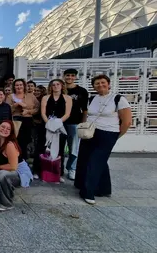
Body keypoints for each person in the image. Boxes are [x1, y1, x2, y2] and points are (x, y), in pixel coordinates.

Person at [75, 75, 132, 205]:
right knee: (87, 159)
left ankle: (88, 191)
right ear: (93, 86)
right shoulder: (92, 98)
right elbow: (87, 115)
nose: (100, 85)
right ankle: (103, 188)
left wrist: (116, 136)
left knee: (95, 161)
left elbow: (127, 121)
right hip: (90, 132)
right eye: (97, 83)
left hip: (108, 133)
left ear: (108, 83)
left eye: (102, 83)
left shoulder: (118, 99)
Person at [0, 120, 33, 211]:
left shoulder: (10, 145)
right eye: (3, 127)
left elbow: (13, 167)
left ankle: (7, 203)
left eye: (8, 129)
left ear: (11, 132)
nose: (5, 130)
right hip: (6, 169)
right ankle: (4, 192)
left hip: (20, 173)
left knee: (2, 174)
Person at [40, 79, 72, 180]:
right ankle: (43, 171)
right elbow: (43, 113)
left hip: (60, 126)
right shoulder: (45, 98)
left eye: (58, 84)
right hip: (47, 125)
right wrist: (49, 123)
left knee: (60, 149)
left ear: (62, 86)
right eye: (53, 85)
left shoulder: (68, 98)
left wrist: (57, 123)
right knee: (43, 148)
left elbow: (67, 114)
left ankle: (59, 173)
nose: (56, 86)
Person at [63, 68, 89, 180]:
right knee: (57, 147)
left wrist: (82, 123)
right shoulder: (59, 89)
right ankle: (58, 168)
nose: (70, 77)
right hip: (59, 123)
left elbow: (84, 109)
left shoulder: (81, 91)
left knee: (73, 148)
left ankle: (71, 168)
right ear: (63, 76)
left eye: (72, 76)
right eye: (67, 75)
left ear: (75, 77)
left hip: (74, 122)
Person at [6, 79, 39, 163]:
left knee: (27, 141)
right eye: (17, 85)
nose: (19, 87)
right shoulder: (10, 96)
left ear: (24, 86)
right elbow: (6, 109)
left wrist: (28, 111)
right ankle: (15, 160)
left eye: (21, 85)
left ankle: (25, 160)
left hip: (27, 120)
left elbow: (37, 108)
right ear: (14, 86)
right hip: (15, 121)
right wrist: (15, 105)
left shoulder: (31, 96)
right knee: (16, 141)